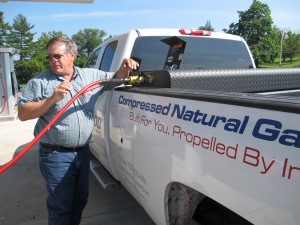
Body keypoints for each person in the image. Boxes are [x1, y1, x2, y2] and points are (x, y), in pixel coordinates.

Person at [17, 36, 139, 225]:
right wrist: (51, 99)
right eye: (50, 57)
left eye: (57, 56)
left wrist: (125, 68)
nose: (53, 61)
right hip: (55, 155)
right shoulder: (40, 82)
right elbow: (23, 113)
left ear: (72, 55)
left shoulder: (90, 76)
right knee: (61, 207)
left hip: (82, 153)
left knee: (79, 201)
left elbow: (115, 79)